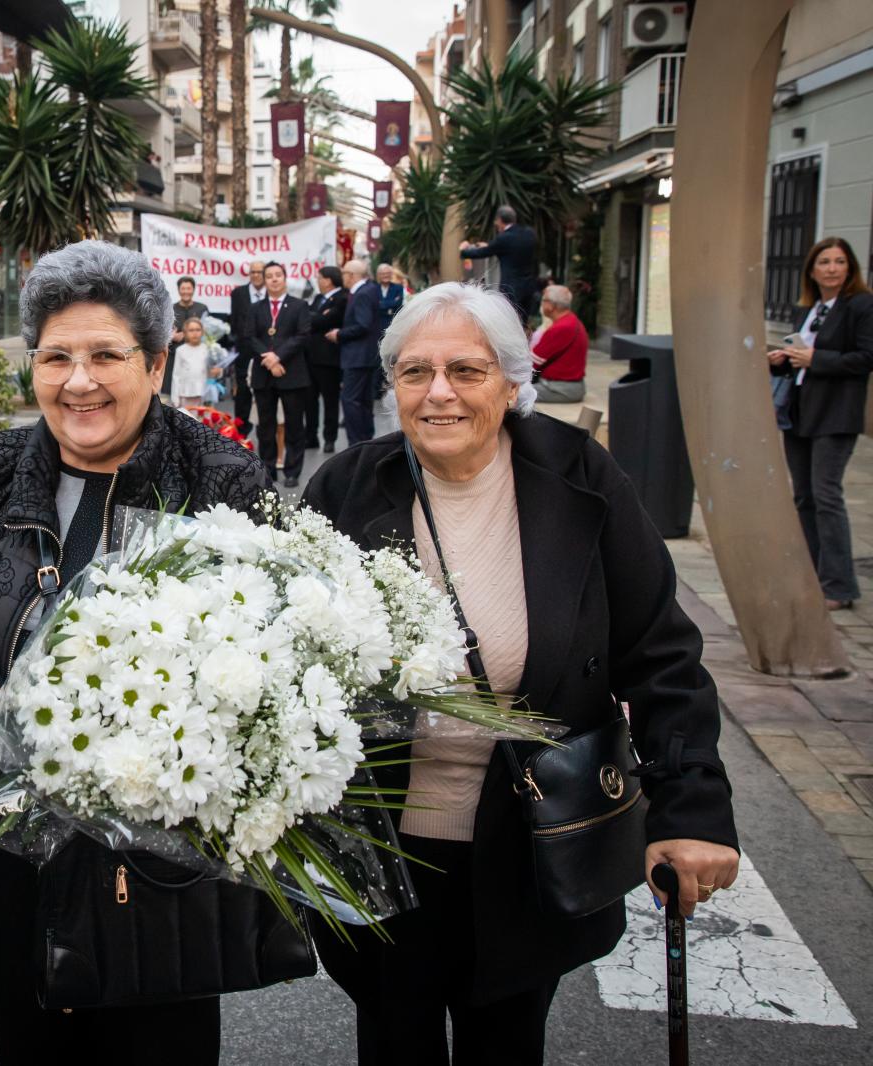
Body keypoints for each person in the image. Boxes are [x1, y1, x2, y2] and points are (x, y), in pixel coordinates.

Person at [302, 282, 740, 1066]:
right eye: (414, 372)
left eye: (466, 371)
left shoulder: (579, 481)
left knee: (506, 1041)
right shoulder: (344, 487)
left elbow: (662, 654)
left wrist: (692, 809)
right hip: (382, 847)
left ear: (511, 383)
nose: (439, 393)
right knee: (392, 1039)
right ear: (391, 383)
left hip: (529, 844)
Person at [0, 240, 268, 1066]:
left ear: (156, 361)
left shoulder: (219, 479)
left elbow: (278, 649)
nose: (78, 381)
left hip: (159, 853)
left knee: (158, 1047)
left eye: (106, 355)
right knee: (32, 1043)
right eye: (56, 357)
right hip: (7, 843)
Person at [768, 235, 873, 610]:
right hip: (799, 411)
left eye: (839, 262)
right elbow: (804, 354)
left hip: (836, 412)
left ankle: (839, 586)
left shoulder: (860, 305)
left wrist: (816, 359)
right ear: (812, 270)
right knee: (804, 496)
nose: (832, 269)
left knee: (827, 494)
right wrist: (783, 357)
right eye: (824, 262)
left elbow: (865, 357)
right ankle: (811, 574)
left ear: (850, 268)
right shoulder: (808, 309)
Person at [250, 262, 313, 487]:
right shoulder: (256, 307)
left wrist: (278, 357)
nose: (274, 279)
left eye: (278, 275)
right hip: (263, 374)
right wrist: (267, 358)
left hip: (291, 373)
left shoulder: (299, 305)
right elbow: (250, 337)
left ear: (285, 278)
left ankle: (292, 471)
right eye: (269, 276)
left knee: (294, 424)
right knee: (265, 426)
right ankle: (267, 470)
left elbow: (303, 335)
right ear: (264, 281)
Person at [461, 205, 539, 323]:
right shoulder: (529, 234)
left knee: (509, 322)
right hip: (528, 287)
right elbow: (512, 249)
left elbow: (482, 253)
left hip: (511, 289)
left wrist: (463, 251)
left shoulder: (504, 238)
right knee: (524, 323)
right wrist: (492, 246)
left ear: (499, 220)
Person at [336, 258, 384, 446]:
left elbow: (362, 324)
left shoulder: (362, 294)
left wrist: (339, 334)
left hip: (357, 356)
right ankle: (365, 440)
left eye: (345, 274)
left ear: (353, 276)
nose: (343, 277)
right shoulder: (369, 290)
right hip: (365, 356)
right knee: (363, 400)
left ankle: (356, 442)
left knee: (351, 400)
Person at [307, 264, 347, 454]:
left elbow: (322, 321)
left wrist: (316, 317)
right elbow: (307, 319)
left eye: (320, 277)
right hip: (310, 357)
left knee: (330, 401)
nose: (317, 280)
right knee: (310, 400)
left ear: (328, 280)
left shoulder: (342, 297)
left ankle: (329, 438)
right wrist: (316, 316)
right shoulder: (317, 298)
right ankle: (311, 436)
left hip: (329, 359)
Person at [530, 284, 590, 404]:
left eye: (544, 300)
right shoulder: (572, 321)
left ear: (551, 306)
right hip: (569, 387)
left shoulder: (561, 328)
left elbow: (532, 363)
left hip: (558, 388)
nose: (541, 304)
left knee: (509, 394)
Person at [228, 260, 268, 432]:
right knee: (242, 392)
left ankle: (265, 430)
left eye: (259, 272)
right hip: (244, 352)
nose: (256, 275)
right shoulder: (238, 293)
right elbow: (235, 321)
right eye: (253, 272)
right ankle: (241, 432)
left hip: (266, 351)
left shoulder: (272, 293)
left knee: (264, 392)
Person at [164, 275, 207, 398]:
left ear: (193, 289)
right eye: (183, 288)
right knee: (174, 391)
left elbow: (208, 333)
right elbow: (161, 333)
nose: (186, 291)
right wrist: (170, 337)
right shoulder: (170, 309)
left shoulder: (202, 309)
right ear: (178, 290)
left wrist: (190, 333)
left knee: (198, 393)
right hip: (174, 357)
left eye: (189, 288)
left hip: (197, 357)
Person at [169, 315, 217, 408]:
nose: (195, 333)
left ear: (202, 332)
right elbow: (176, 375)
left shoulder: (208, 349)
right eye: (191, 330)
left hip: (203, 394)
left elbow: (213, 372)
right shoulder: (181, 350)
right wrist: (175, 398)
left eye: (197, 330)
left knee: (203, 421)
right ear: (185, 333)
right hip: (185, 393)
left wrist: (218, 372)